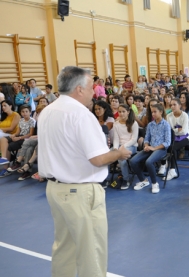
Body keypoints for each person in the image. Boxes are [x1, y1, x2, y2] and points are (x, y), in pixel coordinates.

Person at [38, 66, 131, 277]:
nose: (95, 92)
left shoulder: (47, 111)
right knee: (92, 251)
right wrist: (118, 153)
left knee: (65, 248)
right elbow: (98, 159)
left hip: (55, 189)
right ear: (79, 89)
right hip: (80, 192)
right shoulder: (81, 115)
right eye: (91, 87)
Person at [131, 103, 171, 193]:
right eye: (152, 112)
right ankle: (143, 180)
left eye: (155, 112)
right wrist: (146, 146)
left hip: (161, 149)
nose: (153, 114)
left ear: (161, 112)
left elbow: (167, 142)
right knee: (133, 161)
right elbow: (147, 138)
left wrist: (154, 148)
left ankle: (154, 183)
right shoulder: (150, 124)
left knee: (149, 162)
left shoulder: (166, 125)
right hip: (150, 148)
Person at [160, 98, 189, 180]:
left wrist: (174, 130)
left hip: (185, 138)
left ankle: (172, 170)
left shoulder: (185, 115)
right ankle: (163, 164)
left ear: (180, 105)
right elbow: (168, 131)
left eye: (174, 105)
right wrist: (177, 130)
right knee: (164, 145)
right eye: (171, 105)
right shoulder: (168, 116)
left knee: (172, 147)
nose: (172, 107)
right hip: (172, 137)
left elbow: (184, 131)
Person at [0, 105, 35, 173]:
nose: (24, 113)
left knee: (9, 146)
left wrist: (19, 138)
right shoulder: (21, 120)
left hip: (26, 138)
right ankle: (4, 159)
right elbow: (18, 132)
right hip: (19, 136)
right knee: (3, 139)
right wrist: (14, 135)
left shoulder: (32, 120)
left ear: (30, 112)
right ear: (20, 113)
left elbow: (30, 134)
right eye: (22, 112)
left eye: (26, 111)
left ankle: (5, 168)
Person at [113, 104, 138, 190]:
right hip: (119, 146)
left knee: (121, 158)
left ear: (128, 112)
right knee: (107, 154)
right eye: (119, 111)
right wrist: (115, 149)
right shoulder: (116, 124)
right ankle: (105, 179)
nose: (121, 113)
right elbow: (116, 139)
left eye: (123, 111)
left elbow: (134, 139)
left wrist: (123, 147)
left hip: (131, 146)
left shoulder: (134, 123)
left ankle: (126, 179)